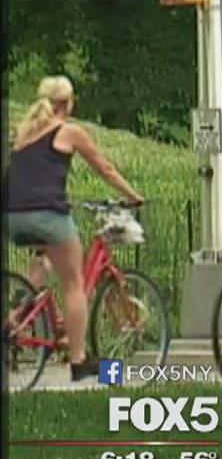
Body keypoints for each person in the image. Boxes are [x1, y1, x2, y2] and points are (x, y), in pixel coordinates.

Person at [2, 76, 145, 381]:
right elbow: (103, 168)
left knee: (43, 259)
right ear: (68, 103)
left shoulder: (25, 133)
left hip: (12, 216)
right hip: (46, 214)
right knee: (73, 283)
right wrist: (132, 196)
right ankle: (79, 360)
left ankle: (14, 319)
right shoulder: (68, 131)